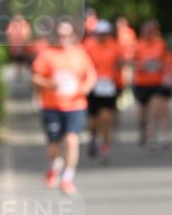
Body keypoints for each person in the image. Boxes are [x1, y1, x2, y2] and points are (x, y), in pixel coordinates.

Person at [31, 18, 96, 195]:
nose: (63, 38)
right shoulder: (47, 54)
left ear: (73, 36)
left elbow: (91, 75)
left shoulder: (80, 53)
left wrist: (85, 88)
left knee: (71, 140)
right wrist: (48, 84)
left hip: (75, 104)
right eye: (59, 35)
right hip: (52, 105)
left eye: (66, 35)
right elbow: (35, 76)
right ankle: (55, 165)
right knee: (54, 144)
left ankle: (67, 178)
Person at [83, 19, 124, 161]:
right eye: (99, 33)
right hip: (93, 86)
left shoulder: (115, 47)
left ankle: (105, 145)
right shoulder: (88, 46)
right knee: (93, 119)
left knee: (106, 118)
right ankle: (93, 138)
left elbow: (120, 65)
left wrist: (120, 84)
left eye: (104, 33)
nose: (101, 36)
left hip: (109, 86)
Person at [133, 19, 172, 149]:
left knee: (155, 109)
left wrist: (166, 72)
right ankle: (143, 129)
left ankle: (151, 136)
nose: (149, 33)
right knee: (143, 112)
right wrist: (142, 66)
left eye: (152, 31)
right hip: (141, 82)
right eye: (147, 31)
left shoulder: (160, 44)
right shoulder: (137, 45)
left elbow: (167, 60)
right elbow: (131, 63)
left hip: (156, 82)